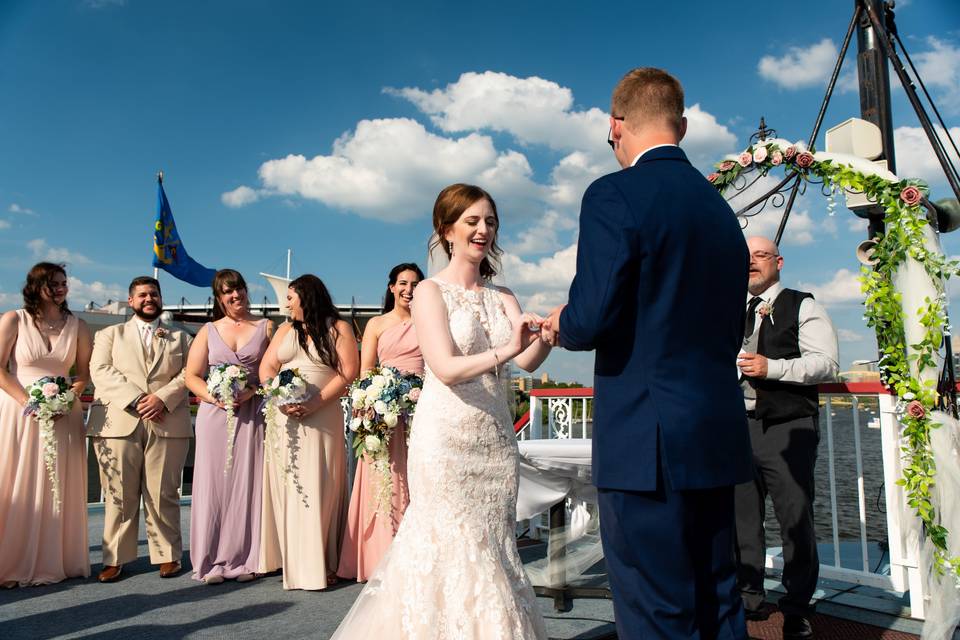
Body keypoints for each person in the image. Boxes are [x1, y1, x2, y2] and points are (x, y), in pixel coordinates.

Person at [541, 67, 752, 639]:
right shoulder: (721, 212)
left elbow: (590, 317)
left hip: (646, 441)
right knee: (718, 595)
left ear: (614, 126)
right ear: (681, 126)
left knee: (654, 606)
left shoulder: (613, 194)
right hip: (713, 432)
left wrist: (562, 320)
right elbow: (733, 325)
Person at [331, 184, 551, 639]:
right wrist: (509, 347)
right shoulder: (430, 292)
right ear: (446, 229)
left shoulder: (503, 295)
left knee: (492, 546)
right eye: (472, 221)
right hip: (446, 440)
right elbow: (446, 367)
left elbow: (526, 361)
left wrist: (547, 335)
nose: (483, 230)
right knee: (445, 542)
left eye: (489, 221)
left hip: (494, 442)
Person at [735, 236, 839, 640]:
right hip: (738, 425)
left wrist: (772, 368)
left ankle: (797, 607)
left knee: (795, 517)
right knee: (742, 517)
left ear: (778, 261)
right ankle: (749, 600)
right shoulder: (731, 310)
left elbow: (826, 364)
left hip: (787, 425)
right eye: (745, 258)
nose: (752, 264)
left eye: (760, 256)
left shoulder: (803, 305)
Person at [87, 276, 193, 582]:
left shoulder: (181, 338)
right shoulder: (109, 334)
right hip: (119, 421)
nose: (150, 298)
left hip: (167, 421)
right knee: (119, 493)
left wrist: (161, 398)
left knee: (163, 493)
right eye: (143, 295)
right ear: (131, 301)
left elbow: (190, 373)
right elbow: (100, 370)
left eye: (155, 294)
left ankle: (168, 555)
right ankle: (114, 558)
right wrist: (136, 399)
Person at [259, 274, 359, 590]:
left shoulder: (339, 328)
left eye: (290, 297)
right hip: (284, 417)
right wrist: (277, 396)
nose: (285, 303)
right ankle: (293, 560)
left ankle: (325, 561)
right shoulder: (286, 330)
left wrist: (315, 402)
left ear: (307, 296)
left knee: (321, 485)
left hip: (322, 414)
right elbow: (266, 368)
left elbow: (348, 373)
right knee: (290, 486)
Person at [0, 263, 92, 587]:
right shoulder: (13, 320)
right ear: (36, 285)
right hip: (19, 411)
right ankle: (11, 561)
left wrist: (66, 400)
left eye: (64, 283)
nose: (61, 288)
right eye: (53, 283)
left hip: (64, 414)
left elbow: (83, 375)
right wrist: (30, 402)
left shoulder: (78, 325)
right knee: (17, 480)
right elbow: (0, 370)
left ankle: (56, 558)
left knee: (58, 485)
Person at [338, 262, 425, 583]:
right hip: (381, 411)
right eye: (402, 283)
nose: (408, 289)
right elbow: (365, 370)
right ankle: (376, 554)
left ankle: (413, 554)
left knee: (416, 478)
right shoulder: (376, 323)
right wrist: (368, 403)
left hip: (419, 408)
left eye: (415, 284)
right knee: (381, 477)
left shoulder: (427, 321)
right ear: (391, 288)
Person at [186, 269, 273, 584]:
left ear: (246, 290)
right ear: (219, 298)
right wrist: (215, 397)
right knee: (214, 485)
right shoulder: (208, 330)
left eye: (238, 290)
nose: (235, 296)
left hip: (252, 414)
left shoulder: (266, 327)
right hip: (214, 415)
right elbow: (191, 376)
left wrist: (251, 392)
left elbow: (274, 373)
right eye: (227, 293)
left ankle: (245, 557)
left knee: (247, 484)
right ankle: (209, 560)